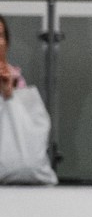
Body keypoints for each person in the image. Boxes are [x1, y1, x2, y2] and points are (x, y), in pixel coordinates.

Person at [0, 16, 57, 186]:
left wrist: (9, 92)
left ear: (7, 43)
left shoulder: (16, 79)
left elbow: (25, 126)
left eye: (1, 35)